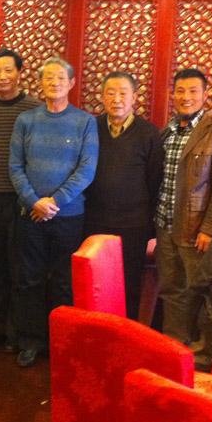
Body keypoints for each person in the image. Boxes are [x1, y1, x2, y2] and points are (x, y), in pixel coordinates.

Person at [9, 58, 98, 368]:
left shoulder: (85, 121)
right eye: (49, 77)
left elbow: (86, 170)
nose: (55, 82)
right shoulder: (26, 120)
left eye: (61, 77)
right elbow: (15, 166)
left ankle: (63, 344)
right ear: (40, 83)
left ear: (71, 83)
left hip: (69, 216)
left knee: (64, 282)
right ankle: (30, 342)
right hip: (30, 214)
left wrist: (54, 202)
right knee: (29, 280)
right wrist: (34, 201)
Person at [154, 68, 212, 352]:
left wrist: (209, 228)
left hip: (196, 228)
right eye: (180, 91)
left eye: (193, 91)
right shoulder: (166, 132)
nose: (185, 97)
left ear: (205, 94)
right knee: (170, 288)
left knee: (197, 289)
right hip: (165, 224)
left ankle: (200, 351)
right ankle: (173, 346)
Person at [0, 48, 42, 351]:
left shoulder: (35, 109)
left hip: (23, 201)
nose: (2, 77)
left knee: (21, 268)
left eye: (8, 70)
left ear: (20, 73)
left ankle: (17, 333)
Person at [83, 71, 163, 320]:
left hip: (133, 224)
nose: (116, 99)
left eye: (123, 93)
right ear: (102, 97)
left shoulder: (149, 133)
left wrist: (149, 225)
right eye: (110, 93)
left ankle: (124, 333)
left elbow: (154, 181)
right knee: (94, 282)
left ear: (134, 97)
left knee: (129, 284)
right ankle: (95, 330)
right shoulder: (91, 127)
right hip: (94, 221)